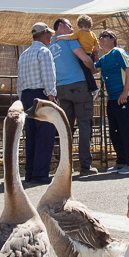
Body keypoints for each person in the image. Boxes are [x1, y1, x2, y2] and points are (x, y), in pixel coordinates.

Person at [50, 17, 98, 176]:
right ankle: (85, 166)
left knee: (66, 128)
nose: (72, 30)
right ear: (61, 26)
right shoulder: (71, 40)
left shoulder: (51, 45)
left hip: (61, 88)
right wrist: (93, 69)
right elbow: (84, 58)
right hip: (78, 85)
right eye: (70, 26)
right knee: (85, 125)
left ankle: (65, 167)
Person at [16, 21, 59, 184]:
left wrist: (21, 99)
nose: (50, 37)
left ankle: (30, 172)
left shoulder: (24, 54)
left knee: (31, 135)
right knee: (45, 134)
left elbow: (20, 81)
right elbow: (48, 76)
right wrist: (51, 96)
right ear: (44, 34)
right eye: (49, 34)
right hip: (41, 95)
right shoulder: (44, 51)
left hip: (26, 95)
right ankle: (41, 173)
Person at [94, 30, 129, 174]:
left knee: (126, 130)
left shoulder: (118, 52)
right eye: (99, 37)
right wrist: (91, 53)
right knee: (114, 132)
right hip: (112, 99)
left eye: (103, 37)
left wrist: (125, 92)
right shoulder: (104, 57)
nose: (100, 39)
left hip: (124, 97)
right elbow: (92, 68)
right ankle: (121, 161)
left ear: (113, 39)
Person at [61, 14, 99, 92]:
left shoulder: (80, 32)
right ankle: (92, 88)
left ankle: (94, 88)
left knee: (85, 73)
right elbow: (96, 46)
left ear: (78, 26)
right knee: (88, 72)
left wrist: (60, 37)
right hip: (90, 55)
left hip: (83, 55)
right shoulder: (92, 34)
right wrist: (95, 54)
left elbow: (70, 37)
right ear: (90, 26)